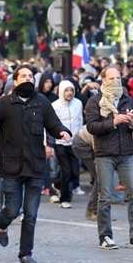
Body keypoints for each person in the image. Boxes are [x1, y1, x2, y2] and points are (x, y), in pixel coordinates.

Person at [0, 65, 71, 263]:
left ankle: (25, 253)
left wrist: (62, 131)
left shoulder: (42, 102)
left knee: (31, 214)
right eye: (24, 76)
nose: (28, 78)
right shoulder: (3, 104)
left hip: (36, 167)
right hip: (11, 167)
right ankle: (1, 224)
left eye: (31, 75)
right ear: (16, 80)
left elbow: (53, 124)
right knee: (12, 210)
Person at [84, 66, 133, 250]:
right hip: (104, 153)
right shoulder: (95, 101)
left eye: (118, 78)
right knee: (105, 197)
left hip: (126, 153)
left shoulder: (127, 99)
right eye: (112, 78)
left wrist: (131, 122)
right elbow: (91, 127)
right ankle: (105, 236)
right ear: (104, 80)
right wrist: (112, 122)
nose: (116, 81)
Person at [52, 80, 83, 209]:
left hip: (74, 142)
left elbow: (80, 121)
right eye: (66, 90)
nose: (69, 93)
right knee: (66, 171)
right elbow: (51, 125)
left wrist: (81, 138)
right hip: (60, 142)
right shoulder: (55, 105)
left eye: (71, 90)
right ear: (61, 91)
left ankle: (57, 184)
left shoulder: (78, 103)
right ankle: (65, 199)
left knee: (75, 171)